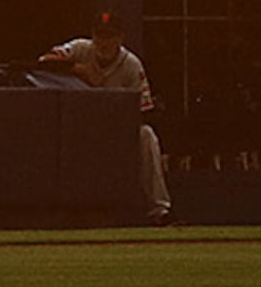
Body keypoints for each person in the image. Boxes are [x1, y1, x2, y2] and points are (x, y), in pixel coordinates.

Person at [32, 15, 171, 222]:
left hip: (115, 131)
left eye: (110, 37)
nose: (104, 43)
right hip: (80, 129)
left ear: (120, 38)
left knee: (147, 135)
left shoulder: (131, 64)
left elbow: (143, 111)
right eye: (100, 36)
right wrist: (78, 69)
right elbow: (43, 61)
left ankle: (159, 210)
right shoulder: (81, 49)